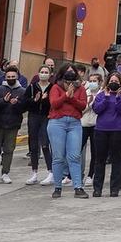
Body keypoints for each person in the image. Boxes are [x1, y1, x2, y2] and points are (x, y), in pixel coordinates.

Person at [46, 66, 88, 199]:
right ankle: (57, 187)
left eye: (72, 71)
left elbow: (82, 105)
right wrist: (66, 95)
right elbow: (54, 104)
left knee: (75, 156)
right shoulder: (55, 87)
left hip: (75, 123)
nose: (70, 74)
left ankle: (78, 187)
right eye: (67, 71)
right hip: (57, 122)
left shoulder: (80, 88)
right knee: (58, 157)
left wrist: (70, 98)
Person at [91, 73, 121, 197]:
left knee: (117, 159)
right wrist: (107, 98)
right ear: (107, 82)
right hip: (101, 130)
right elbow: (97, 109)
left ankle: (115, 188)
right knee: (100, 160)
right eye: (111, 80)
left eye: (116, 81)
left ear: (120, 83)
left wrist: (118, 98)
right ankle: (97, 188)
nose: (114, 82)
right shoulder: (101, 95)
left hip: (118, 130)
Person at [0, 66, 26, 184]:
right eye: (9, 77)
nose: (11, 78)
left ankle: (5, 173)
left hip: (13, 124)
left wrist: (16, 104)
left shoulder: (22, 91)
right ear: (5, 77)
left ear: (17, 76)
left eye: (13, 76)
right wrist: (3, 101)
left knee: (9, 150)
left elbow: (24, 108)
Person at [25, 66, 53, 185]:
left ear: (50, 75)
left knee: (45, 144)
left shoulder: (53, 88)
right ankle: (34, 173)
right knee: (34, 145)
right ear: (38, 73)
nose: (43, 74)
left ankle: (50, 172)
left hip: (46, 117)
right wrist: (35, 100)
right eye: (42, 72)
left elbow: (54, 104)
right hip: (33, 116)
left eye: (46, 72)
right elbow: (25, 103)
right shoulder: (32, 87)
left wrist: (45, 100)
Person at [80, 73, 102, 187]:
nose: (93, 83)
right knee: (77, 150)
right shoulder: (85, 92)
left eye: (95, 81)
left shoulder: (102, 94)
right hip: (84, 124)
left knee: (95, 152)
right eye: (91, 80)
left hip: (96, 125)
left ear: (100, 82)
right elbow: (81, 110)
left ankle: (90, 175)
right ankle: (73, 175)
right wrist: (89, 104)